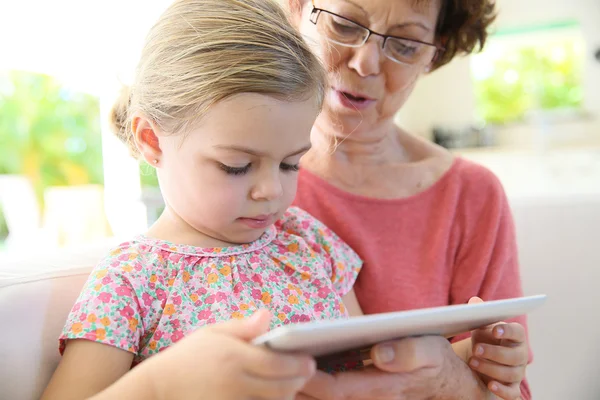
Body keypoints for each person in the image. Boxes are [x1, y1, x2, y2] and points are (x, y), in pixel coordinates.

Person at [41, 0, 528, 399]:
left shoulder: (306, 240)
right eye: (236, 166)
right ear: (151, 141)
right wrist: (161, 384)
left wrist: (466, 360)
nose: (272, 191)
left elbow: (366, 365)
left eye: (291, 163)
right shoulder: (131, 280)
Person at [285, 0, 533, 399]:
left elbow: (507, 389)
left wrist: (450, 379)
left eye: (404, 45)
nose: (366, 63)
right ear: (298, 10)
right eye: (345, 25)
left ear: (434, 53)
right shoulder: (239, 178)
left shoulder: (471, 197)